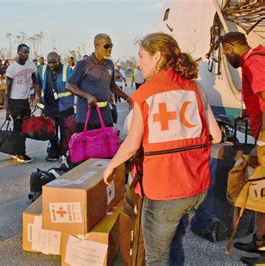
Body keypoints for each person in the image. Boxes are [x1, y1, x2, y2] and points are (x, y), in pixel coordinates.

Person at [102, 32, 221, 265]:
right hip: (196, 186)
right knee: (174, 240)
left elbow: (131, 145)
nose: (138, 62)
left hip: (165, 188)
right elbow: (215, 136)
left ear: (156, 57)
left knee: (156, 256)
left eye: (141, 56)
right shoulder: (195, 88)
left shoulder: (145, 94)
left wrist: (111, 166)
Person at [220, 31, 265, 265]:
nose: (227, 59)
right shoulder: (257, 58)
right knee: (260, 190)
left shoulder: (252, 62)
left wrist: (263, 140)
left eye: (226, 54)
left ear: (230, 48)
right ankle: (261, 239)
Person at [66, 33, 130, 133]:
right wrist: (87, 96)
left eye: (111, 46)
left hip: (105, 117)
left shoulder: (109, 64)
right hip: (86, 118)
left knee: (107, 145)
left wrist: (127, 97)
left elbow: (112, 86)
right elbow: (69, 85)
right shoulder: (83, 64)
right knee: (87, 147)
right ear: (96, 46)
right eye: (106, 46)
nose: (109, 49)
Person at [36, 51, 75, 161]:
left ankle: (64, 153)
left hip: (65, 107)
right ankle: (54, 151)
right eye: (50, 63)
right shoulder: (42, 69)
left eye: (54, 62)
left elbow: (75, 85)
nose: (52, 65)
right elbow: (38, 82)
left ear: (59, 59)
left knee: (66, 132)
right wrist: (37, 94)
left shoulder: (67, 70)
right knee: (50, 131)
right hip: (49, 107)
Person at [5, 44, 37, 163]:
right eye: (24, 52)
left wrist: (35, 93)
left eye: (27, 52)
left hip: (25, 101)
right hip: (15, 101)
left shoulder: (30, 64)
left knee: (25, 127)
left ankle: (17, 150)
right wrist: (7, 109)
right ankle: (19, 152)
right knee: (18, 127)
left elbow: (35, 79)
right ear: (18, 52)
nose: (26, 55)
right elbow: (7, 90)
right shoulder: (12, 68)